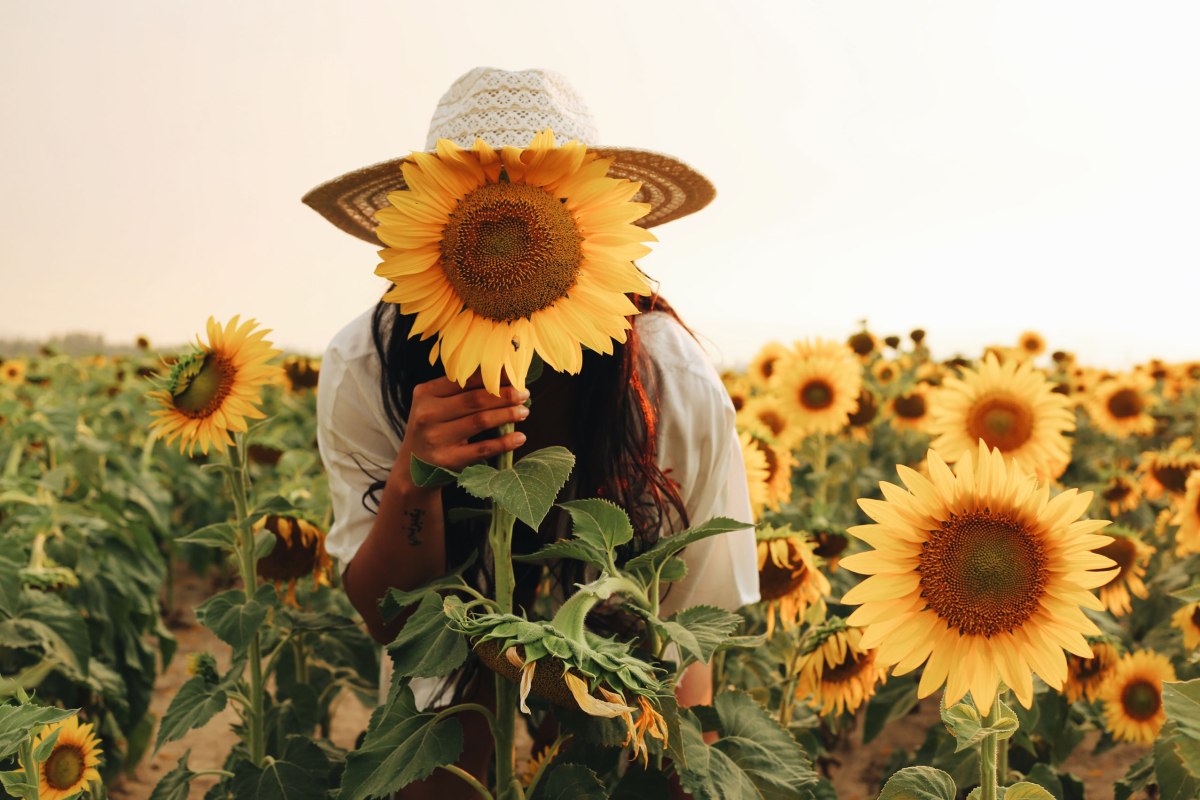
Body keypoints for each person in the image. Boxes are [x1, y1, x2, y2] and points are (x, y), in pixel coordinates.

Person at [305, 67, 759, 797]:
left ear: (589, 231)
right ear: (430, 241)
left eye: (535, 221)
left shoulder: (667, 382)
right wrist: (413, 481)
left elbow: (684, 641)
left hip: (617, 649)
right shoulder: (368, 365)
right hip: (450, 644)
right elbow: (391, 619)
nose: (509, 256)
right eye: (486, 224)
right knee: (446, 749)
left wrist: (680, 768)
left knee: (619, 750)